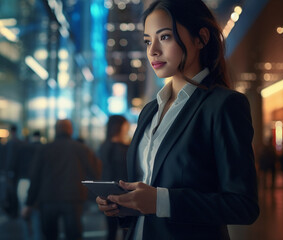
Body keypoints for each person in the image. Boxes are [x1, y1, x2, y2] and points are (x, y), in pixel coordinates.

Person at [95, 0, 259, 239]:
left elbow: (243, 206)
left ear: (201, 38)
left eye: (165, 37)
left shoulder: (224, 105)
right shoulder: (149, 111)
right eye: (148, 41)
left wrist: (161, 201)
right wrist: (123, 204)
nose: (152, 51)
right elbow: (145, 191)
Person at [22, 119, 101, 240]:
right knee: (74, 235)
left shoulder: (44, 149)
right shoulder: (81, 148)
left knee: (49, 235)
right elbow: (95, 171)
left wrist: (29, 203)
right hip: (73, 198)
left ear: (55, 130)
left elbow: (35, 177)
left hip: (48, 198)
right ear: (71, 130)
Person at [97, 115, 130, 240]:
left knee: (111, 231)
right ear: (121, 127)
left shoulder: (103, 147)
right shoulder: (125, 149)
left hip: (107, 193)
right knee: (127, 231)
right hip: (125, 193)